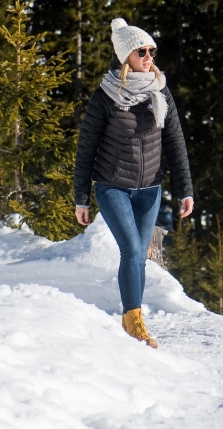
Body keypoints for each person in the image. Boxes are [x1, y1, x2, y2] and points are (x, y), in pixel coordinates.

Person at [74, 18, 194, 349]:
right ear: (126, 55)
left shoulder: (160, 90)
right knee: (130, 248)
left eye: (151, 51)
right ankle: (134, 321)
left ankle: (133, 318)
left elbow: (175, 143)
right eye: (142, 51)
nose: (149, 57)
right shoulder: (105, 96)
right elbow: (86, 149)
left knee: (140, 255)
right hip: (112, 186)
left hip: (150, 189)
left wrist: (185, 190)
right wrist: (81, 198)